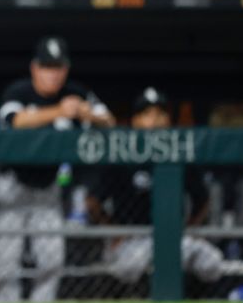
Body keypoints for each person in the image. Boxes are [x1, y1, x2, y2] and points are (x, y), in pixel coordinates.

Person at [0, 36, 115, 302]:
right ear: (35, 68)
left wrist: (86, 113)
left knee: (51, 259)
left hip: (48, 187)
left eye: (58, 67)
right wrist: (59, 110)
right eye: (47, 67)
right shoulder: (19, 91)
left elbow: (109, 121)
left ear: (65, 69)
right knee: (7, 261)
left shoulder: (76, 92)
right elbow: (12, 120)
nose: (53, 74)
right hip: (11, 185)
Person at [86, 87, 224, 285]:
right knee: (131, 265)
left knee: (212, 263)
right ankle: (132, 302)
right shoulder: (121, 156)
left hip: (173, 235)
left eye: (160, 114)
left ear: (168, 120)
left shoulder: (180, 154)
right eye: (147, 115)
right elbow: (92, 201)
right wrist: (114, 231)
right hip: (134, 236)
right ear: (135, 121)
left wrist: (192, 228)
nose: (155, 120)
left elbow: (203, 198)